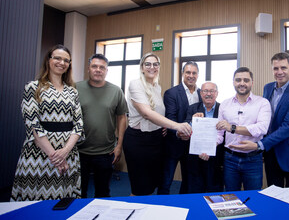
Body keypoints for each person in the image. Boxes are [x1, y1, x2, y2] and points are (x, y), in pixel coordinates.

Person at [11, 44, 84, 201]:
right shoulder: (33, 87)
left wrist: (65, 151)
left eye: (66, 60)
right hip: (40, 153)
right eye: (57, 58)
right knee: (35, 201)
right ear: (48, 60)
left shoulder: (72, 91)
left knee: (65, 201)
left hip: (68, 152)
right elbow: (33, 125)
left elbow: (79, 124)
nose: (61, 63)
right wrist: (55, 156)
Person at [231, 53, 289, 187]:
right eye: (276, 68)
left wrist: (259, 145)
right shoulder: (268, 88)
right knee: (273, 195)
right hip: (271, 153)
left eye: (283, 68)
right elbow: (264, 121)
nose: (279, 72)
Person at [123, 52, 192, 196]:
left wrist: (163, 126)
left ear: (159, 67)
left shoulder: (156, 87)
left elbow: (158, 113)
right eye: (147, 64)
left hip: (156, 140)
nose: (152, 67)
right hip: (138, 141)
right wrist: (177, 125)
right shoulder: (135, 84)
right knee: (140, 188)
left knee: (153, 184)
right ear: (142, 67)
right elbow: (147, 113)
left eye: (155, 64)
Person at [76, 54, 128, 198]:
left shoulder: (116, 91)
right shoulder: (75, 88)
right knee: (79, 193)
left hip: (106, 152)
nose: (98, 70)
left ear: (106, 71)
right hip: (78, 151)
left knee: (103, 193)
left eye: (102, 67)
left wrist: (119, 145)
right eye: (94, 66)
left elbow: (122, 118)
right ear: (88, 69)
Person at [216, 67, 271, 191]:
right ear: (233, 82)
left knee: (253, 198)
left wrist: (233, 128)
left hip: (253, 159)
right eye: (238, 80)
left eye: (246, 80)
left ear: (252, 82)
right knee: (231, 196)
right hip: (230, 159)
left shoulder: (262, 103)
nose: (242, 83)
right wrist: (210, 144)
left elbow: (262, 128)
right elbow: (219, 132)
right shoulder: (225, 104)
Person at [158, 61, 201, 194]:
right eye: (188, 72)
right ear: (183, 73)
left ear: (198, 75)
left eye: (194, 73)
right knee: (166, 181)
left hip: (193, 146)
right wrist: (178, 133)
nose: (191, 75)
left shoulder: (201, 94)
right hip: (174, 144)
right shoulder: (171, 93)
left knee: (189, 181)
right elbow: (170, 118)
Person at [185, 82, 224, 193]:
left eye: (212, 91)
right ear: (201, 93)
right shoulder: (192, 109)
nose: (208, 94)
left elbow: (226, 134)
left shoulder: (223, 109)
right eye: (205, 91)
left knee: (215, 193)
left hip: (216, 160)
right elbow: (186, 128)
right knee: (195, 192)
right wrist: (193, 121)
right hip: (195, 159)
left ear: (217, 93)